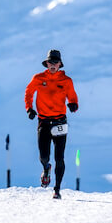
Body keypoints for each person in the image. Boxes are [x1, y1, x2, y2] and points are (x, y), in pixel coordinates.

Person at [24, 49, 79, 200]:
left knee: (59, 157)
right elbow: (29, 92)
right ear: (46, 64)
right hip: (44, 121)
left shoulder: (66, 81)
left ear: (60, 64)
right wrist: (29, 109)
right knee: (44, 156)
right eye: (50, 62)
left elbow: (72, 96)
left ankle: (57, 189)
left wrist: (73, 104)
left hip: (60, 122)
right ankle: (46, 168)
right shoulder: (38, 78)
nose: (53, 65)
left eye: (56, 62)